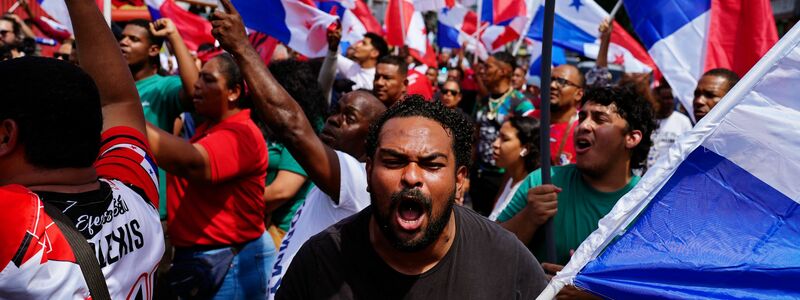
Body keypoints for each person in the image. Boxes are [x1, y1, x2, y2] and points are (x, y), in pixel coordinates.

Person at [276, 97, 547, 299]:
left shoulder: (507, 261)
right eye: (394, 161)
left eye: (432, 164)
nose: (411, 176)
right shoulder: (321, 260)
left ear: (459, 179)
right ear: (369, 172)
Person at [207, 5, 388, 298]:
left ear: (372, 142)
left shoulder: (357, 179)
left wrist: (241, 47)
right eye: (336, 111)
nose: (333, 119)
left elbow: (291, 125)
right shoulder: (335, 175)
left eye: (349, 118)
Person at [0, 0, 164, 297]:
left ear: (5, 136)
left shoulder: (9, 219)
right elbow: (118, 102)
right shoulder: (135, 195)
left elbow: (115, 103)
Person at [145, 53, 273, 299]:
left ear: (234, 92)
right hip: (207, 258)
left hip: (230, 262)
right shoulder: (211, 127)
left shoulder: (241, 133)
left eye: (208, 79)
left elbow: (193, 164)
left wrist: (126, 112)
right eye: (199, 77)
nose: (196, 85)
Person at [498, 87, 655, 273]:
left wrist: (588, 290)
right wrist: (529, 217)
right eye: (582, 117)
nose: (583, 126)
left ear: (631, 138)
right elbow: (492, 249)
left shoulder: (647, 206)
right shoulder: (543, 181)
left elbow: (648, 282)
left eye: (599, 119)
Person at [120, 18, 198, 220]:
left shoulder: (163, 86)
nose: (124, 42)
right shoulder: (113, 90)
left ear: (153, 50)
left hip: (152, 209)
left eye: (133, 39)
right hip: (116, 209)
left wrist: (173, 36)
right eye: (123, 37)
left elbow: (193, 94)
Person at [263, 59, 328, 243]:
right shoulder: (281, 124)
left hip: (284, 233)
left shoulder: (304, 130)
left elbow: (282, 190)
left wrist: (235, 204)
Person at [470, 52, 534, 216]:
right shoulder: (483, 101)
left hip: (503, 179)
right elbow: (475, 137)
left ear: (504, 71)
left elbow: (530, 143)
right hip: (479, 175)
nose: (482, 71)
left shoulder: (521, 104)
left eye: (488, 67)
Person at [488, 116, 541, 221]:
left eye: (505, 139)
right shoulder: (511, 179)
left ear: (525, 149)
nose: (495, 144)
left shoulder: (529, 190)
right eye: (498, 137)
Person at [646, 80, 691, 169]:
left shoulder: (683, 121)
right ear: (655, 100)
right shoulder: (648, 120)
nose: (669, 101)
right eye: (665, 98)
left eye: (671, 98)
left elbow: (688, 150)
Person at [544, 64, 584, 166]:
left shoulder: (584, 130)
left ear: (578, 94)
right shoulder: (529, 117)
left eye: (562, 82)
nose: (552, 85)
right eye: (550, 79)